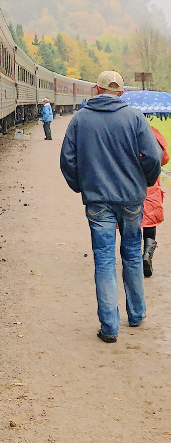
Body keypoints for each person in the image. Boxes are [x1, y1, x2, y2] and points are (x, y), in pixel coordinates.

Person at [60, 71, 161, 343]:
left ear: (96, 89)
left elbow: (67, 160)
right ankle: (137, 314)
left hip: (98, 200)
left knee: (103, 259)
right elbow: (153, 156)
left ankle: (109, 327)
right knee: (131, 252)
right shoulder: (135, 117)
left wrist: (82, 186)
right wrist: (145, 182)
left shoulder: (81, 119)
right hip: (131, 199)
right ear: (122, 92)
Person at [142, 125, 168, 276]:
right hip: (151, 185)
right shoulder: (153, 132)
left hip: (131, 184)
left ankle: (131, 258)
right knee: (150, 221)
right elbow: (164, 158)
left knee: (131, 221)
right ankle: (147, 254)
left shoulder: (125, 129)